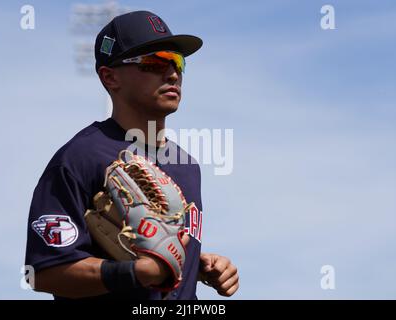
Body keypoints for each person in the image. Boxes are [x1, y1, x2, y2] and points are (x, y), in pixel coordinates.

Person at [25, 10, 239, 300]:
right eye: (154, 62)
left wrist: (199, 266)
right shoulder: (80, 157)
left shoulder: (188, 166)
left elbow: (165, 257)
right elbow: (43, 272)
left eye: (177, 61)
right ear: (110, 77)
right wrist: (136, 272)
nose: (172, 73)